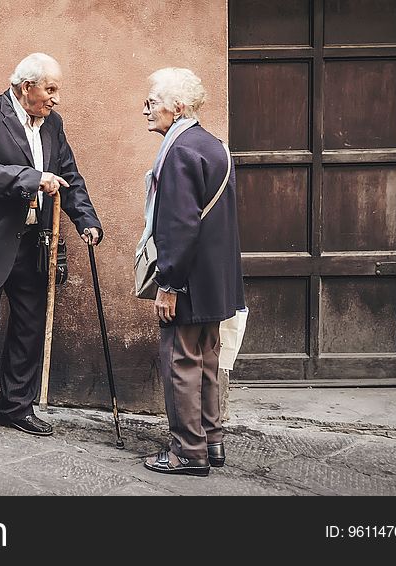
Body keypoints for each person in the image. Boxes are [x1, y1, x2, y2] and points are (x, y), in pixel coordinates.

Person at [0, 53, 103, 443]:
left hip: (33, 243)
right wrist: (32, 178)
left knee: (29, 328)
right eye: (51, 89)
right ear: (26, 86)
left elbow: (68, 175)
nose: (56, 98)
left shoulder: (53, 125)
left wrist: (87, 220)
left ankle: (16, 406)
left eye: (56, 90)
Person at [139, 68, 245, 476]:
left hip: (188, 281)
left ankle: (187, 451)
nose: (145, 109)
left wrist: (169, 284)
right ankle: (212, 441)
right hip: (215, 280)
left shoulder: (179, 150)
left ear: (177, 107)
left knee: (181, 361)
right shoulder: (214, 145)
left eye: (152, 102)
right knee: (207, 360)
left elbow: (179, 225)